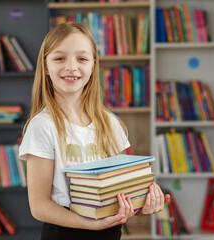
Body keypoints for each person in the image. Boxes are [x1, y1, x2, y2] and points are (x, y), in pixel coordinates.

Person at [19, 22, 170, 240]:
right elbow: (40, 206)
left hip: (109, 232)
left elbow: (128, 187)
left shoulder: (110, 123)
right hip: (65, 232)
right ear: (45, 66)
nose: (71, 67)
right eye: (60, 58)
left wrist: (143, 203)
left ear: (93, 65)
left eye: (81, 59)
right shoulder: (42, 126)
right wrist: (91, 225)